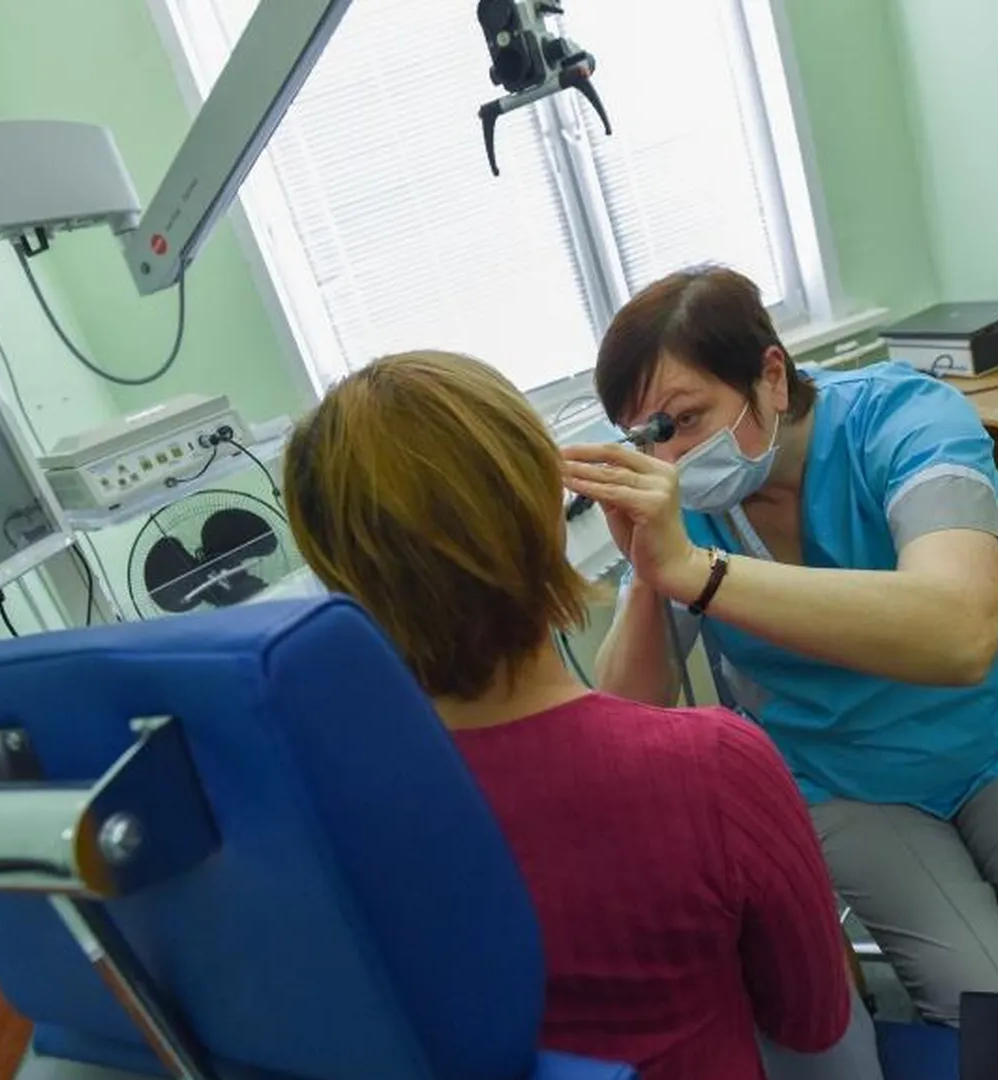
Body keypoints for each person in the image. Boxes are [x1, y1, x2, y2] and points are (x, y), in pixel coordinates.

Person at [565, 265, 998, 1080]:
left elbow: (960, 634)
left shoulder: (903, 418)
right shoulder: (682, 502)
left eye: (687, 419)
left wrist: (700, 572)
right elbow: (624, 711)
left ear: (771, 375)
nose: (674, 457)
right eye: (650, 436)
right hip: (845, 781)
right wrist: (653, 573)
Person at [281, 350, 878, 1080]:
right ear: (548, 511)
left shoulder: (318, 815)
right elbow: (812, 1020)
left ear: (334, 568)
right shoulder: (718, 767)